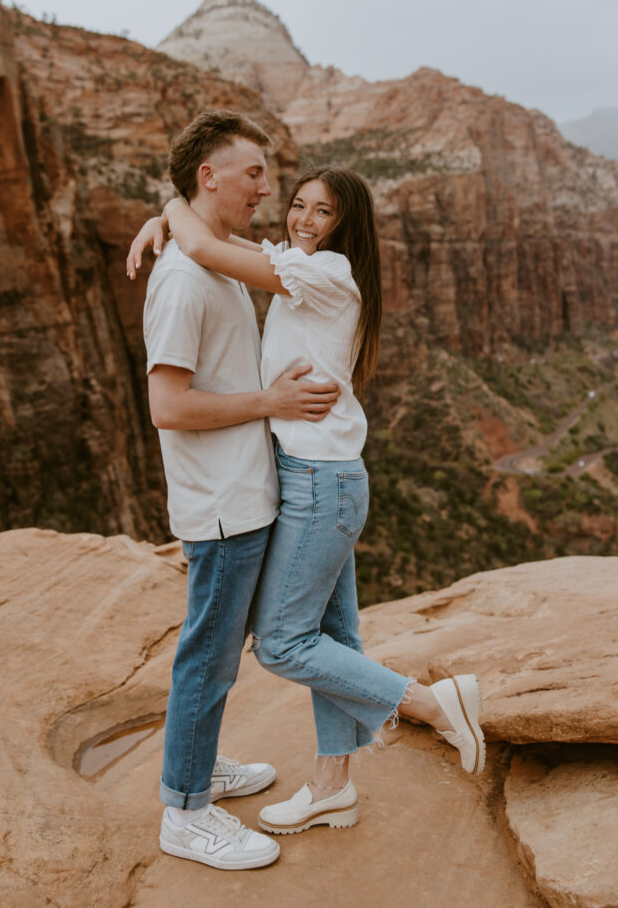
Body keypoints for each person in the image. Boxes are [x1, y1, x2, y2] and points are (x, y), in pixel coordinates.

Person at [131, 160, 485, 840]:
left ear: (345, 225)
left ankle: (427, 704)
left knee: (282, 645)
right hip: (311, 472)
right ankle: (332, 787)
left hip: (320, 483)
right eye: (297, 205)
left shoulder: (327, 274)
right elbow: (222, 250)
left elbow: (206, 248)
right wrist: (163, 221)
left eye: (322, 212)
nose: (302, 219)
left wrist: (169, 213)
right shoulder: (297, 260)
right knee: (333, 638)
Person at [132, 110, 341, 870]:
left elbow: (201, 233)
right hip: (218, 505)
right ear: (207, 177)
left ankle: (198, 766)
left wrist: (167, 215)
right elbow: (167, 406)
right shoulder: (184, 282)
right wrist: (268, 404)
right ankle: (184, 813)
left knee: (218, 653)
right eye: (252, 172)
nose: (266, 186)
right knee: (209, 656)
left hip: (242, 497)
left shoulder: (215, 260)